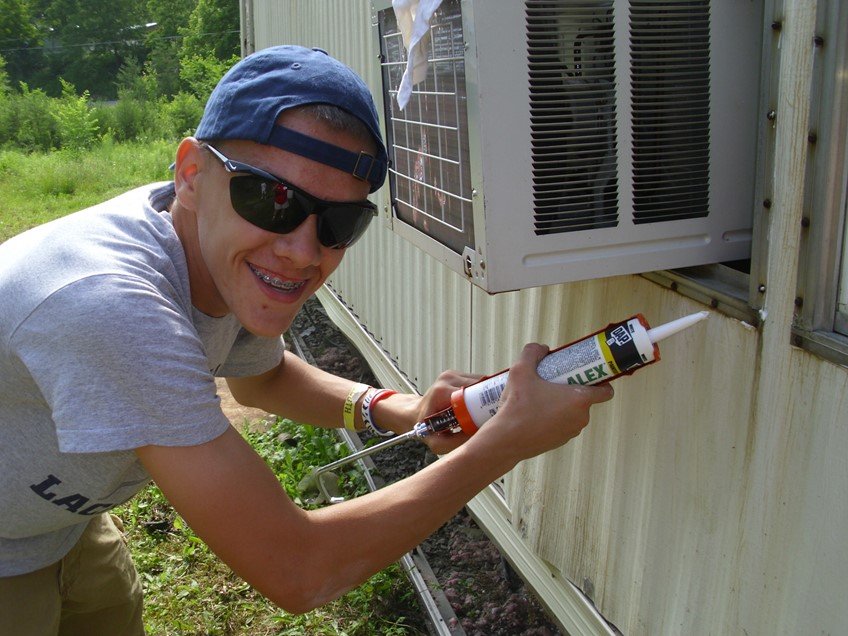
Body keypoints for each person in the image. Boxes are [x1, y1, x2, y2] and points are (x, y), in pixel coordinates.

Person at [0, 45, 614, 635]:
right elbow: (299, 570)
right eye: (271, 199)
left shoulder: (207, 247)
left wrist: (404, 413)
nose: (302, 252)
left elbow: (260, 376)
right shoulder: (112, 307)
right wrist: (502, 446)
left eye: (339, 222)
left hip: (62, 526)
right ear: (191, 174)